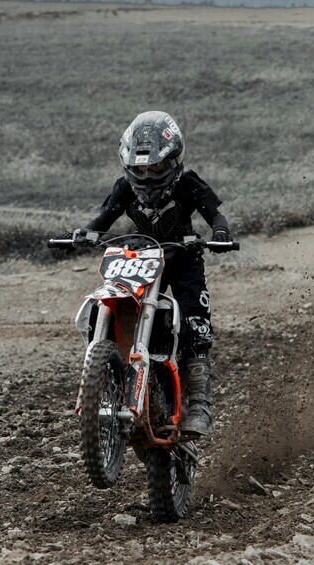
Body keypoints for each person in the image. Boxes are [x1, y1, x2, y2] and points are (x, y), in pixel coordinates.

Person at [75, 110, 232, 438]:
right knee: (112, 304)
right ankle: (109, 375)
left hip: (184, 258)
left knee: (195, 325)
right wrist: (85, 233)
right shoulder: (124, 188)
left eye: (156, 167)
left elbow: (215, 215)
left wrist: (218, 235)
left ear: (173, 161)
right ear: (128, 166)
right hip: (142, 257)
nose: (147, 176)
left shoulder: (189, 184)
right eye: (140, 169)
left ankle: (200, 404)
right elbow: (103, 217)